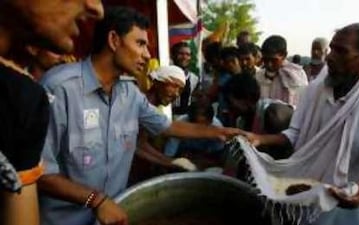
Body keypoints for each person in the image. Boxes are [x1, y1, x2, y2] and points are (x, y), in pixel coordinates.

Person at [38, 7, 244, 225]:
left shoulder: (130, 93)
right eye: (140, 44)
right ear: (114, 40)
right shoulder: (58, 88)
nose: (147, 55)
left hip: (117, 214)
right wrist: (96, 201)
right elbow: (39, 173)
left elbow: (168, 127)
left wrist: (221, 132)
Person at [248, 23, 359, 225]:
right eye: (332, 48)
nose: (329, 57)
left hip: (340, 204)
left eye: (341, 51)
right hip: (296, 194)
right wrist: (258, 139)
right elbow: (294, 134)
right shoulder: (315, 90)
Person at [0, 1, 103, 225]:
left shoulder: (21, 100)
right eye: (140, 43)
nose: (97, 8)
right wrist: (95, 200)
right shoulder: (53, 88)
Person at [129, 65, 197, 184]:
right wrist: (169, 162)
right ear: (157, 82)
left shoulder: (151, 106)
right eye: (174, 86)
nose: (176, 94)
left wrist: (171, 161)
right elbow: (138, 145)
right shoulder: (144, 107)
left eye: (180, 90)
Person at [225, 74, 293, 159]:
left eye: (231, 102)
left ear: (247, 99)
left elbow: (291, 141)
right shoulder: (242, 120)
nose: (229, 107)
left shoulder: (274, 114)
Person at [164, 101, 225, 170]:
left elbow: (217, 158)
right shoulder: (180, 125)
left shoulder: (217, 128)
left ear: (210, 122)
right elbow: (169, 156)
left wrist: (199, 160)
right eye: (197, 127)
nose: (200, 131)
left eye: (203, 126)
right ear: (189, 122)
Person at [255, 35, 308, 107]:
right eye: (265, 60)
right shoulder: (258, 76)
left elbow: (301, 106)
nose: (269, 64)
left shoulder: (297, 77)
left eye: (274, 60)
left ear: (284, 55)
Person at [170, 41, 199, 116]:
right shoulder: (167, 75)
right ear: (173, 55)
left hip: (186, 118)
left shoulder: (194, 79)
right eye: (181, 54)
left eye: (188, 54)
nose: (184, 57)